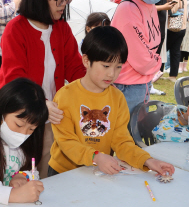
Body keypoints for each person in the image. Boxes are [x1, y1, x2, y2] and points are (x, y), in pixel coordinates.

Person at [48, 26, 175, 178]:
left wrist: (147, 161)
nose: (112, 74)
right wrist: (96, 157)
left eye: (118, 67)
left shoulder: (117, 98)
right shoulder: (65, 96)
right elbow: (66, 142)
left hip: (98, 172)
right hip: (64, 173)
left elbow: (122, 142)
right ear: (87, 61)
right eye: (106, 66)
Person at [0, 0, 86, 177]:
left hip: (49, 117)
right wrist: (42, 104)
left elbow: (75, 69)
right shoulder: (16, 29)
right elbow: (14, 79)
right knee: (17, 173)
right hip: (20, 118)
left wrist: (94, 83)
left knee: (42, 172)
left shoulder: (62, 29)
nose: (63, 3)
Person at [111, 0, 178, 113]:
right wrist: (156, 62)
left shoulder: (148, 5)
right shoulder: (129, 9)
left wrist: (153, 60)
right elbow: (143, 61)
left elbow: (151, 48)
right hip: (127, 88)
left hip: (141, 85)